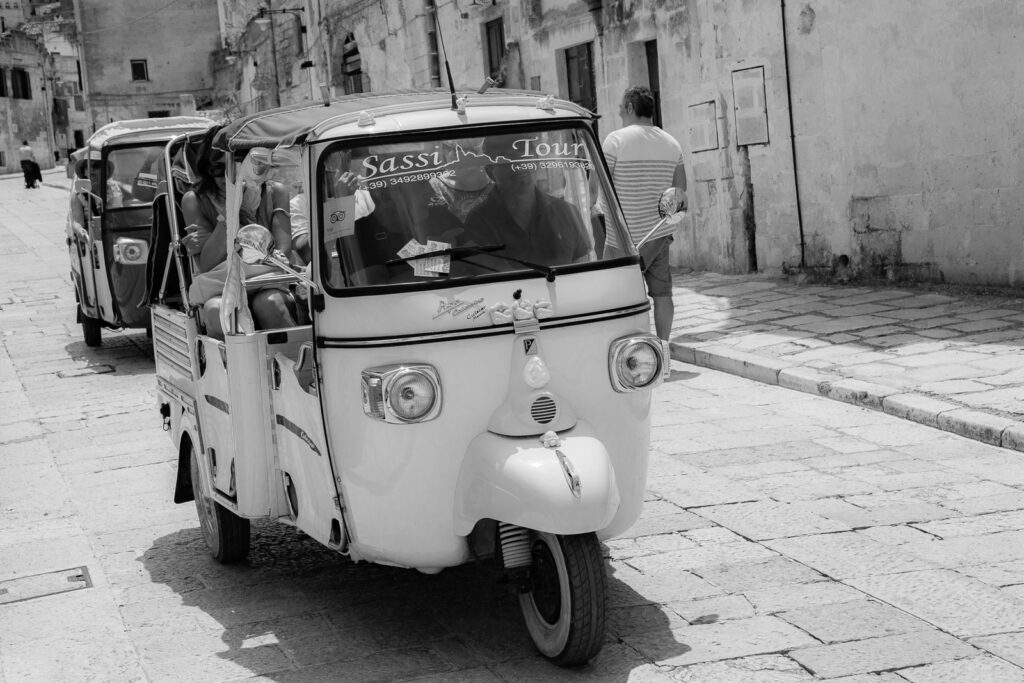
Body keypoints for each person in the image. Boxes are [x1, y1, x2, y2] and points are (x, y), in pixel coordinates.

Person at [182, 140, 298, 338]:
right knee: (218, 311)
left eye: (238, 165)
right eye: (219, 168)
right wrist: (231, 214)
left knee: (269, 304)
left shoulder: (275, 191)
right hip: (221, 284)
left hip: (268, 280)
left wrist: (216, 239)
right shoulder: (195, 200)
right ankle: (232, 367)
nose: (230, 175)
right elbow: (207, 264)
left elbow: (283, 250)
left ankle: (296, 363)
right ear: (207, 168)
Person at [603, 85, 687, 341]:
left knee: (619, 299)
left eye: (620, 109)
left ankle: (632, 349)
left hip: (621, 239)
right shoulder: (672, 144)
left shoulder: (614, 141)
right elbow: (680, 194)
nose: (620, 114)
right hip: (658, 236)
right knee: (662, 295)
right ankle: (663, 349)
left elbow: (598, 188)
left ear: (630, 107)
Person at [463, 134, 589, 268]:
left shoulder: (566, 213)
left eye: (524, 155)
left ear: (537, 162)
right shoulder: (479, 221)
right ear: (490, 172)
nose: (519, 165)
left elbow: (584, 269)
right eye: (507, 158)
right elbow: (488, 275)